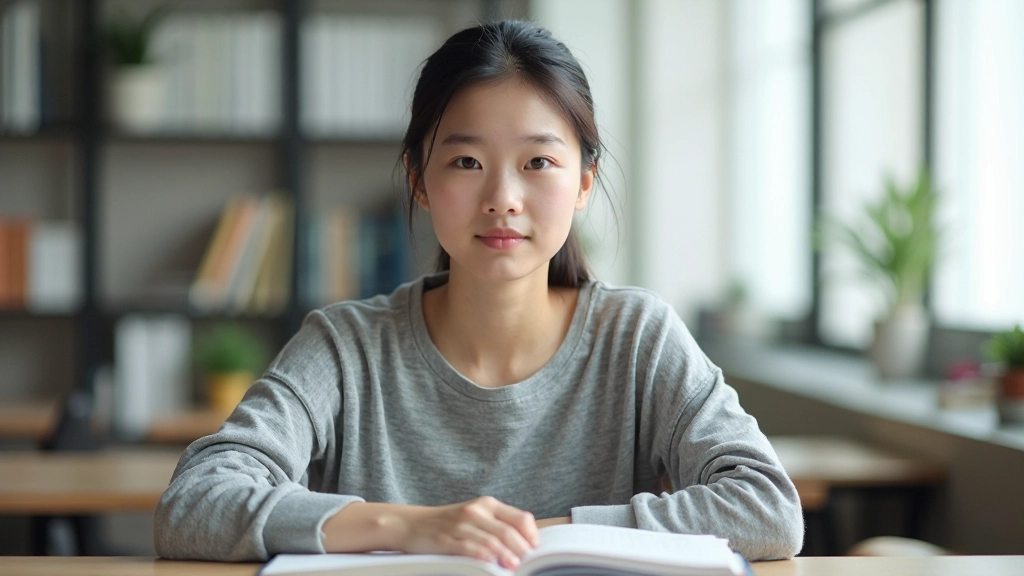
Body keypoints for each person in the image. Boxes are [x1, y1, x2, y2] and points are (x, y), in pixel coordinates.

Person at [154, 20, 803, 565]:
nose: (502, 200)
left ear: (583, 181)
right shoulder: (346, 346)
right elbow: (194, 504)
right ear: (419, 179)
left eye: (538, 162)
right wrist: (410, 527)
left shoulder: (636, 335)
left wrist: (547, 537)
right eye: (466, 161)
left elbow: (767, 507)